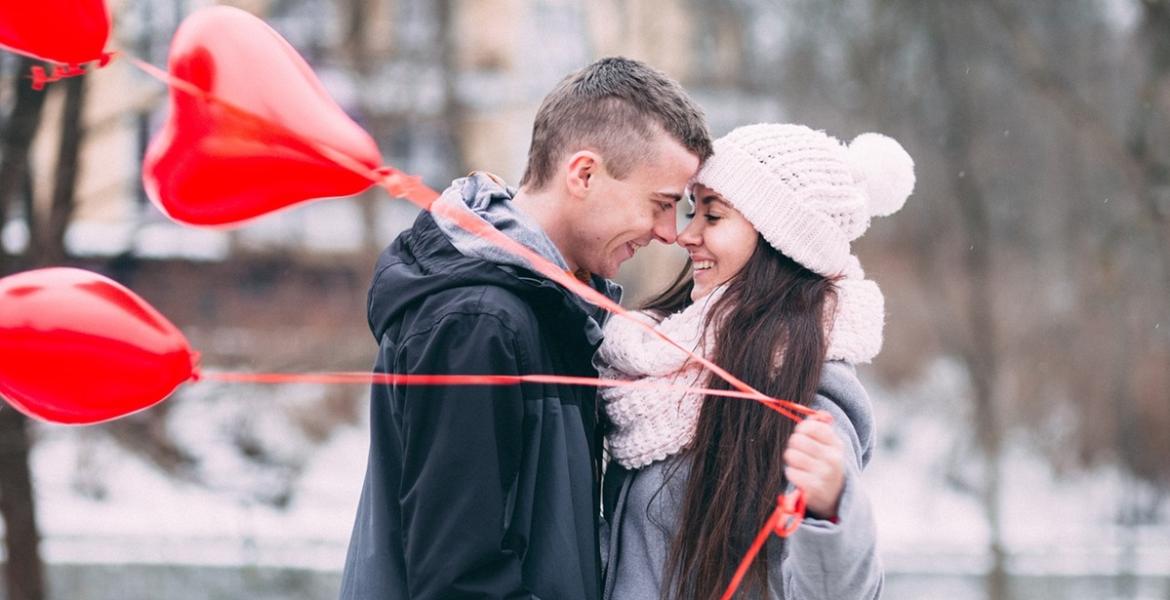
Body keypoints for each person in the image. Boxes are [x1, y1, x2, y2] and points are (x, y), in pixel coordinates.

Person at [339, 57, 712, 600]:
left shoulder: (549, 310)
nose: (668, 233)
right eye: (661, 205)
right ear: (583, 174)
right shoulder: (479, 322)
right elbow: (458, 582)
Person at [597, 123, 914, 599]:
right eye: (691, 211)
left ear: (779, 239)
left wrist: (828, 509)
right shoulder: (655, 363)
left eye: (714, 216)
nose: (687, 235)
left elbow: (842, 594)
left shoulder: (808, 388)